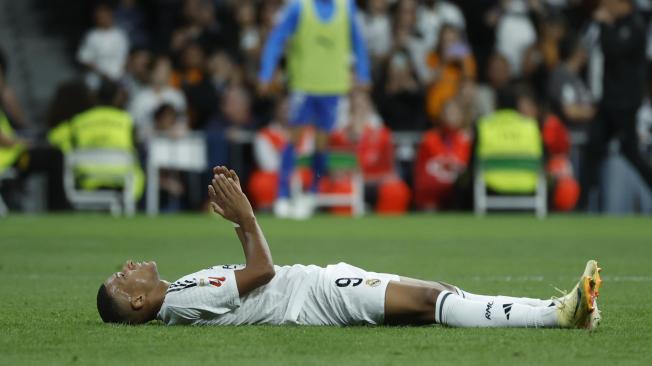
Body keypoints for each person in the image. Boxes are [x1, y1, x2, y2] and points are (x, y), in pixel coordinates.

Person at [97, 165, 602, 329]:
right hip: (316, 295)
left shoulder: (180, 292)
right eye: (122, 280)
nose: (127, 268)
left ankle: (556, 308)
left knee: (438, 294)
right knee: (431, 301)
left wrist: (242, 221)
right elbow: (262, 272)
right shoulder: (181, 301)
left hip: (316, 289)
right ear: (138, 302)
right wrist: (247, 216)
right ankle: (556, 315)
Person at [258, 0, 371, 218]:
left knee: (322, 141)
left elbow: (358, 41)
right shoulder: (299, 6)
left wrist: (363, 73)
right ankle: (282, 196)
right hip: (303, 83)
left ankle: (312, 194)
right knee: (294, 137)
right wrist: (266, 71)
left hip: (333, 85)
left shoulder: (346, 6)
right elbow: (277, 37)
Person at [581, 0, 652, 208]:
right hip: (609, 101)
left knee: (631, 152)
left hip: (626, 103)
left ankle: (583, 201)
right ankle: (581, 203)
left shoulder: (636, 24)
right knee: (593, 148)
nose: (605, 6)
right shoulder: (617, 23)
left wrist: (604, 25)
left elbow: (613, 51)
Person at [76, 2, 129, 90]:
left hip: (119, 78)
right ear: (96, 19)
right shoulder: (91, 36)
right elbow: (84, 59)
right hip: (97, 79)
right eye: (101, 17)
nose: (104, 19)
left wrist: (118, 75)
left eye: (106, 16)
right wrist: (103, 74)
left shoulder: (120, 35)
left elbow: (126, 56)